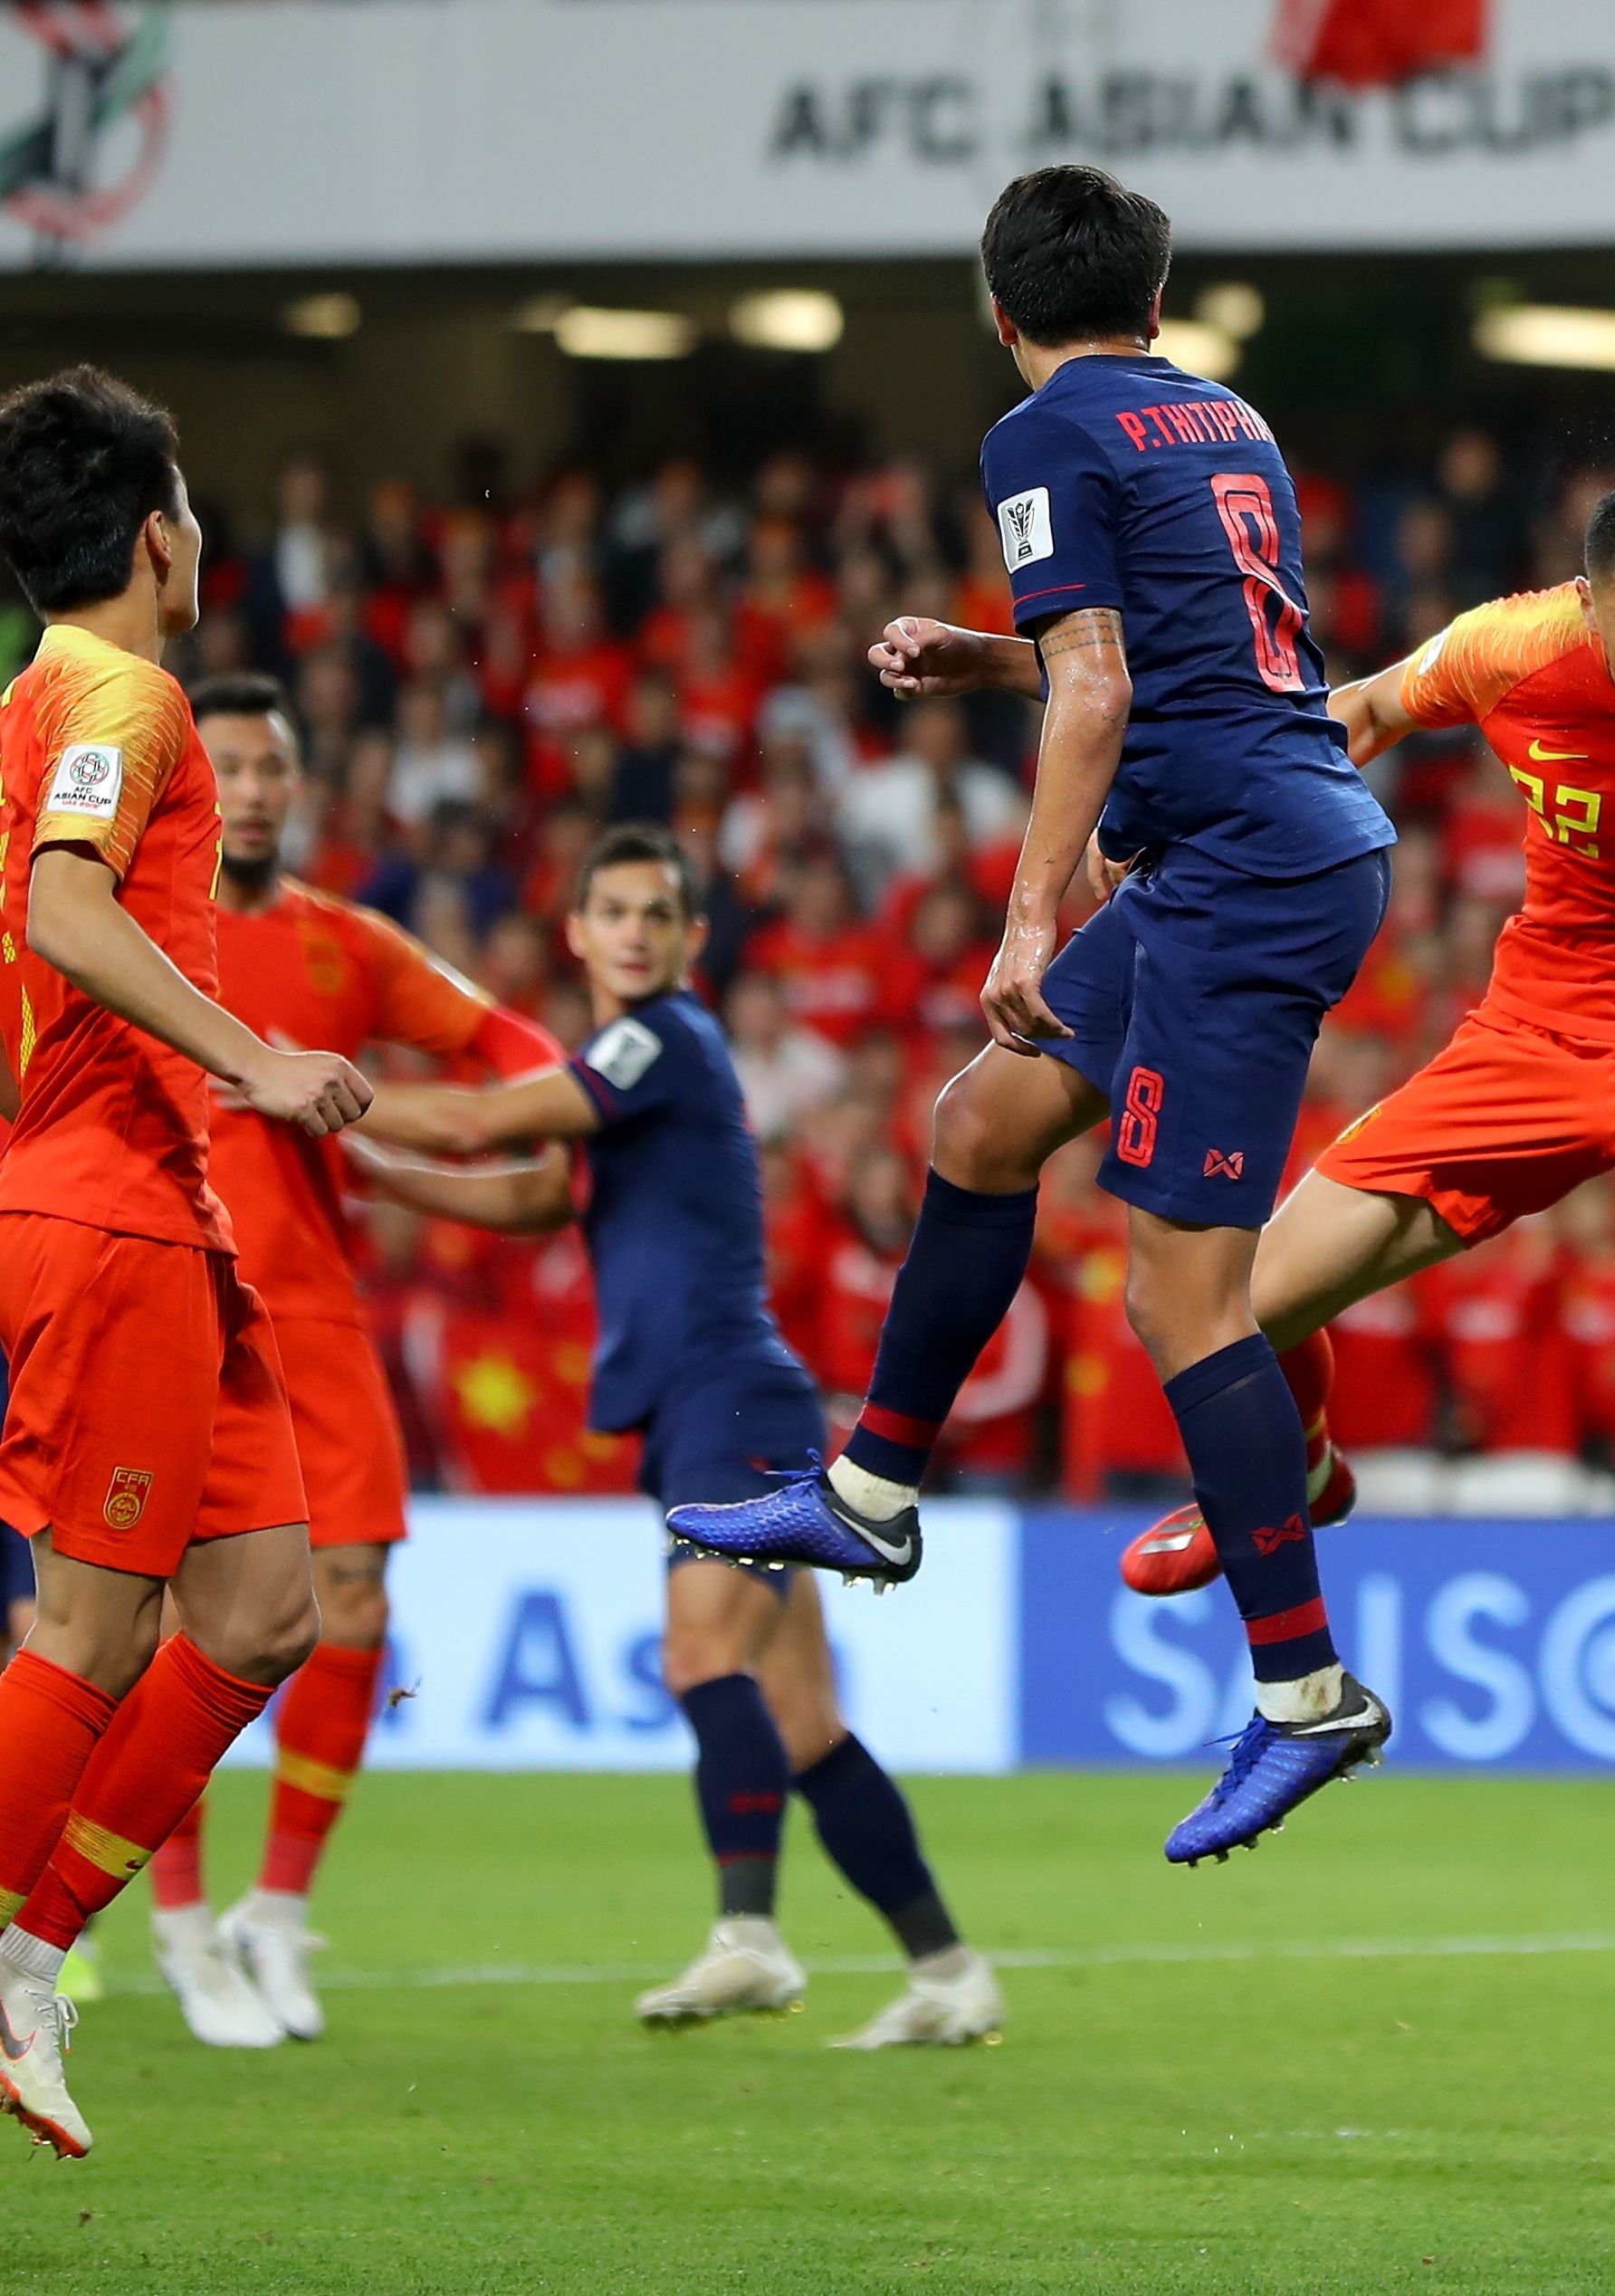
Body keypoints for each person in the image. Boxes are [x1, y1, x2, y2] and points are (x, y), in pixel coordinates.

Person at [667, 166, 1400, 1864]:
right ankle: (871, 1495)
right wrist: (987, 657)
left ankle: (1305, 1695)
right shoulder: (1230, 421)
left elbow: (1103, 677)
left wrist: (1026, 903)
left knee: (1177, 1291)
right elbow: (1191, 652)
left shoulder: (1036, 436)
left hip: (1236, 876)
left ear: (999, 313)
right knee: (978, 1125)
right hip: (1262, 841)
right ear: (1156, 301)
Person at [1108, 474, 1615, 1736]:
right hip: (1530, 1040)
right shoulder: (1509, 646)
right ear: (1589, 605)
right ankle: (1297, 1465)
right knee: (1222, 1309)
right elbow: (1364, 712)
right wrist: (1217, 815)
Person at [347, 828, 1001, 2048]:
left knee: (701, 1655)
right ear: (576, 931)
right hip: (728, 1404)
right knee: (801, 1719)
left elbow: (493, 1127)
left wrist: (329, 1093)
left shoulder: (662, 1040)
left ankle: (749, 1936)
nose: (638, 930)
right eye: (616, 910)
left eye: (660, 912)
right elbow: (540, 1194)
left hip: (729, 1400)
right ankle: (951, 1971)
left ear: (692, 940)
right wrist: (374, 1171)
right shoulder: (628, 1072)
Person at [0, 367, 377, 2160]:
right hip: (111, 1206)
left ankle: (35, 1946)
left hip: (161, 1208)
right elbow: (63, 904)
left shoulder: (46, 693)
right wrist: (255, 1052)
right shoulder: (123, 690)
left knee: (261, 1610)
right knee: (92, 1621)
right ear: (160, 531)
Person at [137, 673, 562, 2053]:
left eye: (272, 767)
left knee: (357, 1596)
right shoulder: (134, 933)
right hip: (167, 1299)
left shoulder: (347, 943)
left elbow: (516, 1047)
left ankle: (275, 1909)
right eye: (234, 766)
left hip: (314, 1310)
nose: (253, 788)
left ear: (298, 787)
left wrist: (529, 1111)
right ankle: (181, 1921)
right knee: (173, 1622)